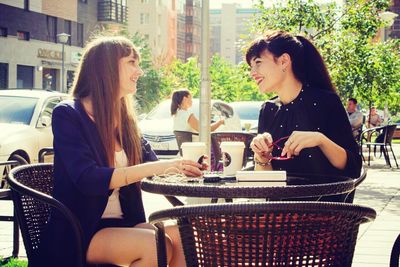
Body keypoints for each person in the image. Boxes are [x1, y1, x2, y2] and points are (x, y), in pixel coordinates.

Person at [40, 36, 204, 267]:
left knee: (181, 234)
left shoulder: (125, 120)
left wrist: (187, 166)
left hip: (125, 224)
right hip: (80, 232)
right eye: (132, 62)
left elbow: (155, 168)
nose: (140, 70)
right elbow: (87, 178)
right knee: (155, 246)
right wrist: (157, 166)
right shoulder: (68, 114)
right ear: (106, 68)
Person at [246, 30, 361, 181]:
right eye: (251, 66)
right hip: (279, 203)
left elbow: (353, 167)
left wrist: (320, 140)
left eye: (258, 63)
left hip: (321, 202)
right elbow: (265, 182)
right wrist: (262, 156)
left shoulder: (326, 102)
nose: (252, 73)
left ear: (284, 61)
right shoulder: (268, 109)